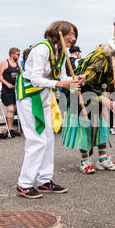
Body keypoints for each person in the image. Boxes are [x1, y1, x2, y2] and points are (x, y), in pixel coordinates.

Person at [15, 20, 85, 199]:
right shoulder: (42, 48)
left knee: (48, 139)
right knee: (36, 140)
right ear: (58, 32)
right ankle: (24, 184)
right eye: (69, 33)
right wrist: (61, 83)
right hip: (30, 97)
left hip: (45, 97)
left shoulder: (60, 52)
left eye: (74, 34)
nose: (73, 37)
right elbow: (36, 78)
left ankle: (45, 181)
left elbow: (60, 76)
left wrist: (74, 79)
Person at [61, 42, 115, 174]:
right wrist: (104, 99)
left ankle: (102, 159)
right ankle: (85, 161)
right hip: (79, 100)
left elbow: (113, 86)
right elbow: (85, 88)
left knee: (102, 128)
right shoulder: (96, 62)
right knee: (84, 129)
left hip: (98, 101)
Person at [0, 48, 23, 138]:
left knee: (14, 108)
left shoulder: (18, 63)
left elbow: (22, 74)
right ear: (12, 54)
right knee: (10, 109)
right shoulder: (5, 63)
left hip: (15, 89)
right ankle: (9, 129)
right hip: (7, 89)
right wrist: (7, 83)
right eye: (17, 54)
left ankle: (11, 128)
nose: (19, 56)